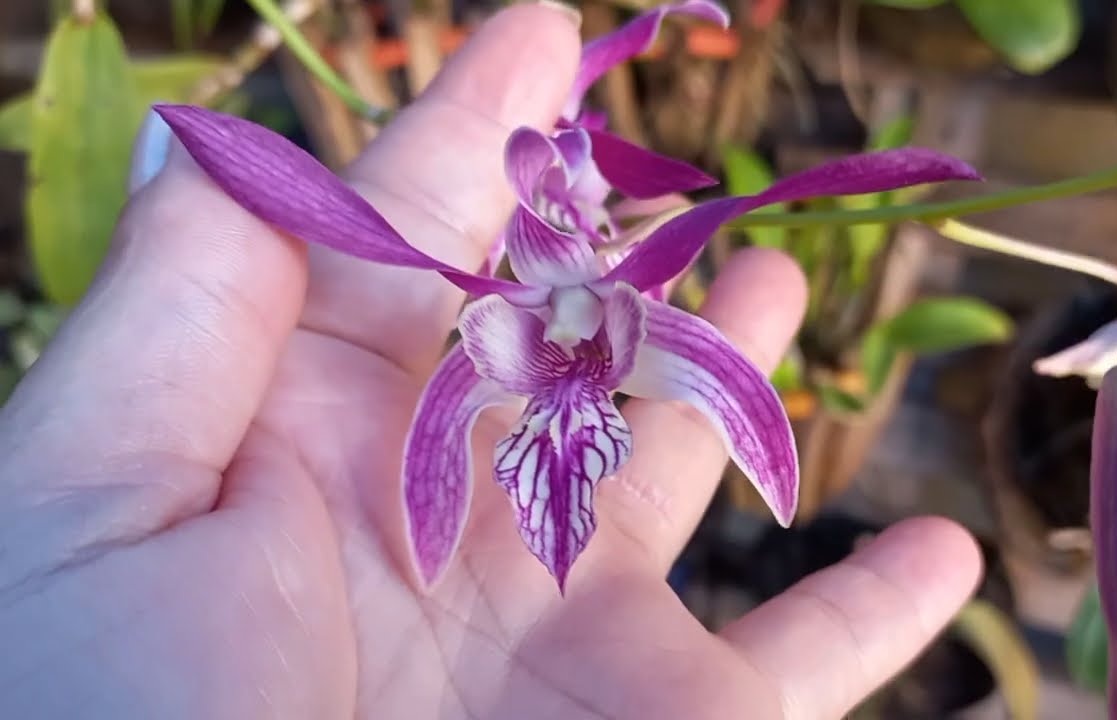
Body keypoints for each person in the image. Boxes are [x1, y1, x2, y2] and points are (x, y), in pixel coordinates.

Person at [0, 3, 981, 717]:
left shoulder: (628, 317)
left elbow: (750, 422)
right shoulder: (494, 347)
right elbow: (433, 483)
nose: (567, 350)